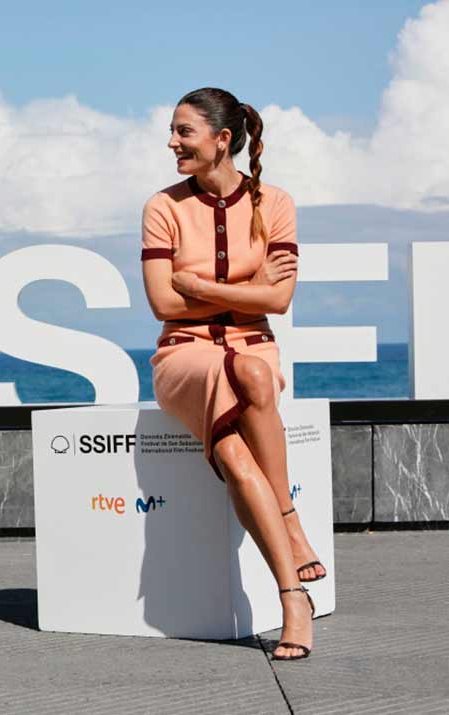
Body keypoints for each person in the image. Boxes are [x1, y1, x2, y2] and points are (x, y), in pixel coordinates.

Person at [141, 87, 326, 661]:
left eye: (184, 132)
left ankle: (289, 579)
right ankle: (292, 555)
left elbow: (280, 300)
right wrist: (246, 294)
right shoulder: (162, 207)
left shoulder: (276, 203)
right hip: (183, 360)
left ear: (223, 141)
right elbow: (163, 306)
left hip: (252, 354)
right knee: (242, 370)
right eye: (172, 132)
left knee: (248, 377)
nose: (172, 143)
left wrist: (198, 285)